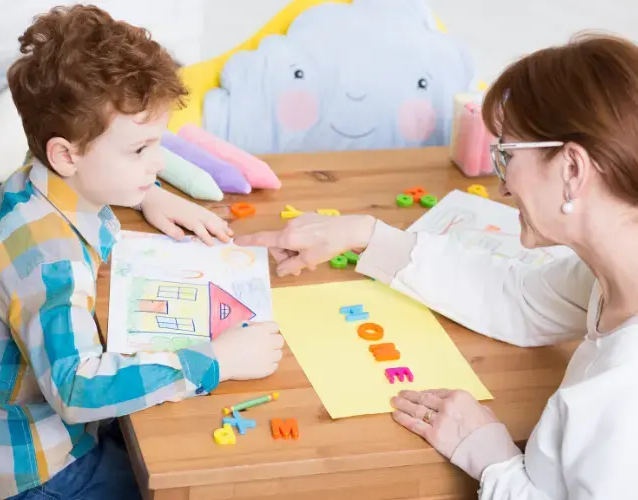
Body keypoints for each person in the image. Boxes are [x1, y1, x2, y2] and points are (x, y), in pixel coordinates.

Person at [236, 32, 638, 499]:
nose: (500, 184)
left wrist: (493, 460)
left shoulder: (622, 391)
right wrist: (364, 235)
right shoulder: (614, 268)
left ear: (573, 168)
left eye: (506, 156)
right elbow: (521, 299)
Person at [0, 5, 284, 500]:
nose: (158, 162)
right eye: (139, 150)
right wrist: (216, 361)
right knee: (190, 478)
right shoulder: (49, 262)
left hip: (12, 432)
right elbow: (79, 390)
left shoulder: (37, 177)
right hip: (35, 472)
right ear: (67, 154)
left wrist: (148, 192)